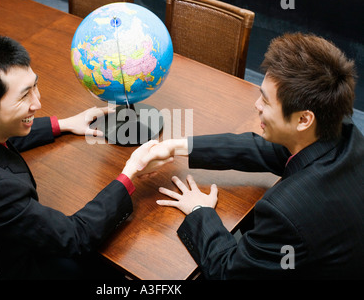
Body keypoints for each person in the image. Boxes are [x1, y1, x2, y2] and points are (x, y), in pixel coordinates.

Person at [0, 35, 168, 280]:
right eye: (24, 97)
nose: (38, 102)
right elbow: (76, 236)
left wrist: (61, 124)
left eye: (35, 86)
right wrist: (131, 171)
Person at [138, 32, 364, 279]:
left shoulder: (285, 213)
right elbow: (269, 149)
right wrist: (176, 147)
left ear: (303, 119)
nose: (257, 105)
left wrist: (200, 211)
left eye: (266, 101)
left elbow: (228, 272)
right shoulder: (340, 127)